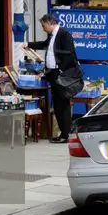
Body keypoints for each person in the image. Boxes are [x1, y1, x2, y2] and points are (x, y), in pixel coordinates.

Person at [25, 14, 83, 142]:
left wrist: (61, 70)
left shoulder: (64, 34)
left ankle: (65, 135)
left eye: (43, 25)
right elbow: (44, 45)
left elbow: (70, 54)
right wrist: (29, 44)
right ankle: (63, 133)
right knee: (57, 104)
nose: (43, 28)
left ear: (50, 22)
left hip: (60, 74)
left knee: (63, 103)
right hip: (52, 73)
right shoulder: (52, 36)